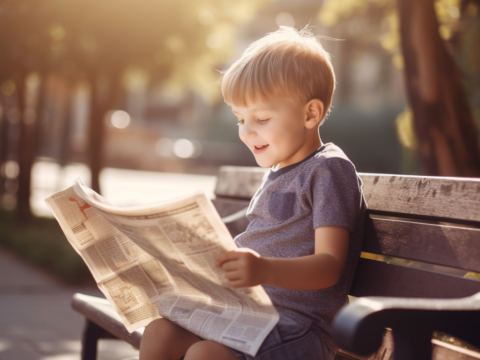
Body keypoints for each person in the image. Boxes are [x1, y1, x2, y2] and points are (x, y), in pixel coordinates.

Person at [139, 26, 366, 360]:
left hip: (301, 327)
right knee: (160, 332)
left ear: (310, 113)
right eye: (240, 119)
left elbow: (330, 266)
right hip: (250, 314)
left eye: (260, 118)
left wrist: (263, 271)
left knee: (205, 355)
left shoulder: (328, 170)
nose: (247, 132)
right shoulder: (277, 171)